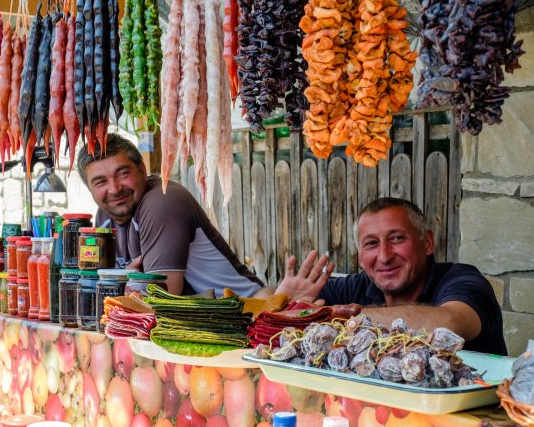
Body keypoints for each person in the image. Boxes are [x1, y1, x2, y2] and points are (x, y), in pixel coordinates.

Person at [274, 197, 508, 355]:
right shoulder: (352, 289)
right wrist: (281, 304)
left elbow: (450, 324)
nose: (384, 256)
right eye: (371, 244)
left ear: (427, 243)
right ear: (360, 258)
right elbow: (269, 323)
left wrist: (338, 317)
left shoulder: (463, 280)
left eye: (397, 238)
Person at [77, 133, 265, 297]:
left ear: (142, 170)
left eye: (123, 173)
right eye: (100, 182)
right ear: (89, 189)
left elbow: (162, 296)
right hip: (196, 325)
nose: (114, 189)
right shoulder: (107, 213)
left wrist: (124, 283)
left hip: (248, 315)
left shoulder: (162, 201)